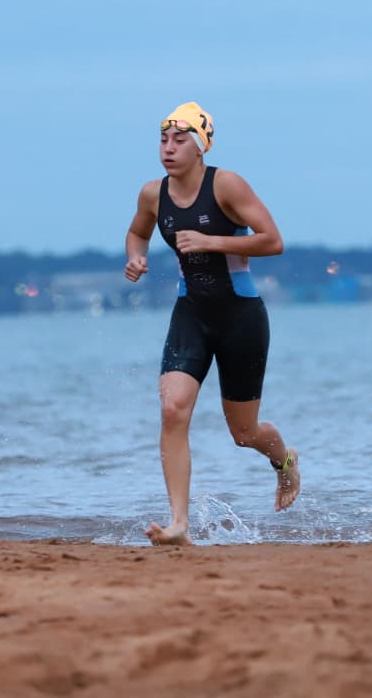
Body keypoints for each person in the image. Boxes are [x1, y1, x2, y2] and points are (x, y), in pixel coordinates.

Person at [124, 100, 300, 546]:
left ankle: (284, 462)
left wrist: (211, 241)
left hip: (241, 316)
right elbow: (138, 230)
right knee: (172, 408)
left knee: (244, 433)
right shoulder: (152, 194)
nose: (168, 148)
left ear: (200, 146)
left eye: (179, 141)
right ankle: (178, 524)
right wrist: (136, 257)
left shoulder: (227, 185)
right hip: (191, 314)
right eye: (163, 140)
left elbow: (273, 240)